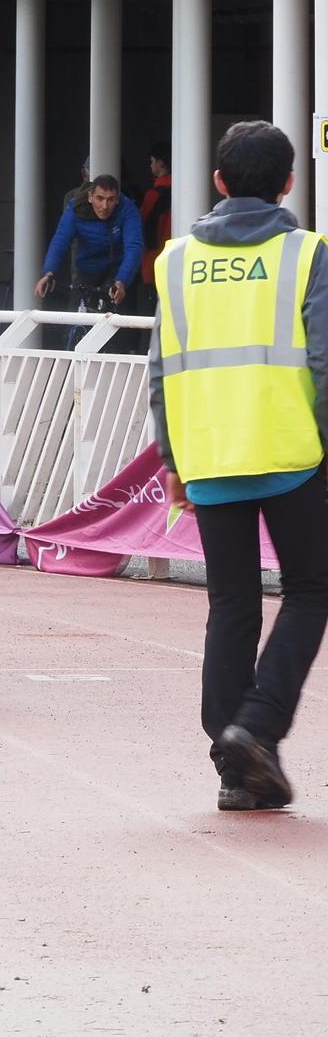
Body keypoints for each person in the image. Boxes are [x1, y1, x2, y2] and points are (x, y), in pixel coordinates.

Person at [151, 121, 328, 813]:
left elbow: (159, 369)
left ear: (219, 182)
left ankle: (236, 768)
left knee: (231, 604)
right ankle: (255, 727)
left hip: (210, 454)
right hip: (291, 455)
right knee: (312, 590)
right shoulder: (307, 254)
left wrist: (171, 458)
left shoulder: (176, 260)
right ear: (288, 182)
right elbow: (323, 363)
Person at [34, 174, 143, 344]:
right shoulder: (76, 208)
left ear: (117, 200)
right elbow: (60, 241)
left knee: (119, 316)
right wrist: (49, 272)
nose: (105, 206)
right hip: (88, 266)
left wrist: (122, 281)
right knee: (74, 315)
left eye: (110, 200)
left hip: (117, 267)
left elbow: (134, 247)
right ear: (90, 197)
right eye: (100, 198)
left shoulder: (127, 208)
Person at [140, 141, 173, 302]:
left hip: (154, 261)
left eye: (152, 161)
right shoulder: (182, 189)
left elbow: (145, 228)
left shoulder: (153, 194)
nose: (150, 165)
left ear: (160, 163)